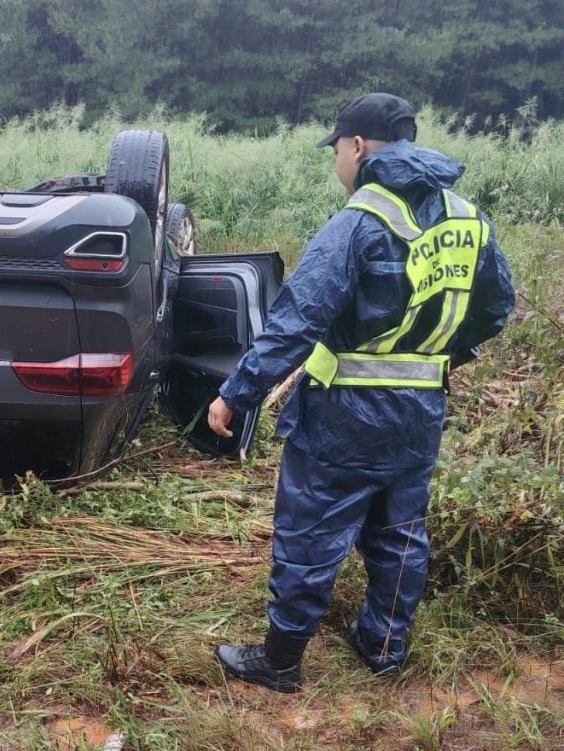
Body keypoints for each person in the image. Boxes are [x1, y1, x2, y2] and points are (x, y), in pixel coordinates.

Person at [207, 93, 515, 692]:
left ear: (356, 147)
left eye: (337, 151)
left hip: (342, 416)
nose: (337, 165)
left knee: (311, 531)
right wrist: (440, 351)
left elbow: (296, 321)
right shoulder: (467, 217)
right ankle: (384, 647)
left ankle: (280, 660)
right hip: (419, 412)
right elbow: (497, 306)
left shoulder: (359, 220)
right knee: (400, 531)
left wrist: (236, 394)